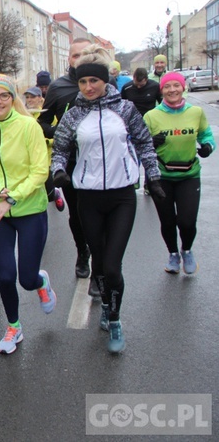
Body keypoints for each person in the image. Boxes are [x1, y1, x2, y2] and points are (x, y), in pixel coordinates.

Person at [51, 45, 164, 354]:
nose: (88, 88)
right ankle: (105, 299)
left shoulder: (125, 110)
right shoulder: (73, 115)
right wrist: (59, 171)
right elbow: (59, 149)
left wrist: (153, 176)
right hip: (88, 198)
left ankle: (114, 318)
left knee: (112, 267)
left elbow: (143, 142)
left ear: (105, 81)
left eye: (94, 82)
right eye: (83, 82)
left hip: (121, 197)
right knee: (100, 264)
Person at [0, 75, 55, 355]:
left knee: (26, 278)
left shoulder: (28, 126)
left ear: (13, 99)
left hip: (30, 208)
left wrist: (11, 197)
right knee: (6, 276)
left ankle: (40, 282)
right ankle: (14, 326)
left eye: (4, 96)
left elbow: (39, 170)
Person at [38, 37, 95, 293]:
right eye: (75, 56)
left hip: (99, 163)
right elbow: (42, 123)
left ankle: (101, 267)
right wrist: (58, 132)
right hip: (70, 164)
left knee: (99, 215)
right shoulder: (58, 87)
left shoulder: (103, 83)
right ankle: (82, 252)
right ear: (68, 60)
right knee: (78, 215)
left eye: (85, 54)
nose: (80, 59)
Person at [143, 72, 215, 274]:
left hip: (189, 175)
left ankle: (187, 250)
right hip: (161, 176)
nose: (172, 89)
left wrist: (208, 146)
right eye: (167, 86)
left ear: (183, 87)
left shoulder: (196, 112)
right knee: (167, 221)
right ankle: (173, 254)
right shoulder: (151, 116)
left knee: (187, 221)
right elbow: (138, 143)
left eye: (176, 85)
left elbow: (206, 135)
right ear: (162, 90)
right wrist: (150, 143)